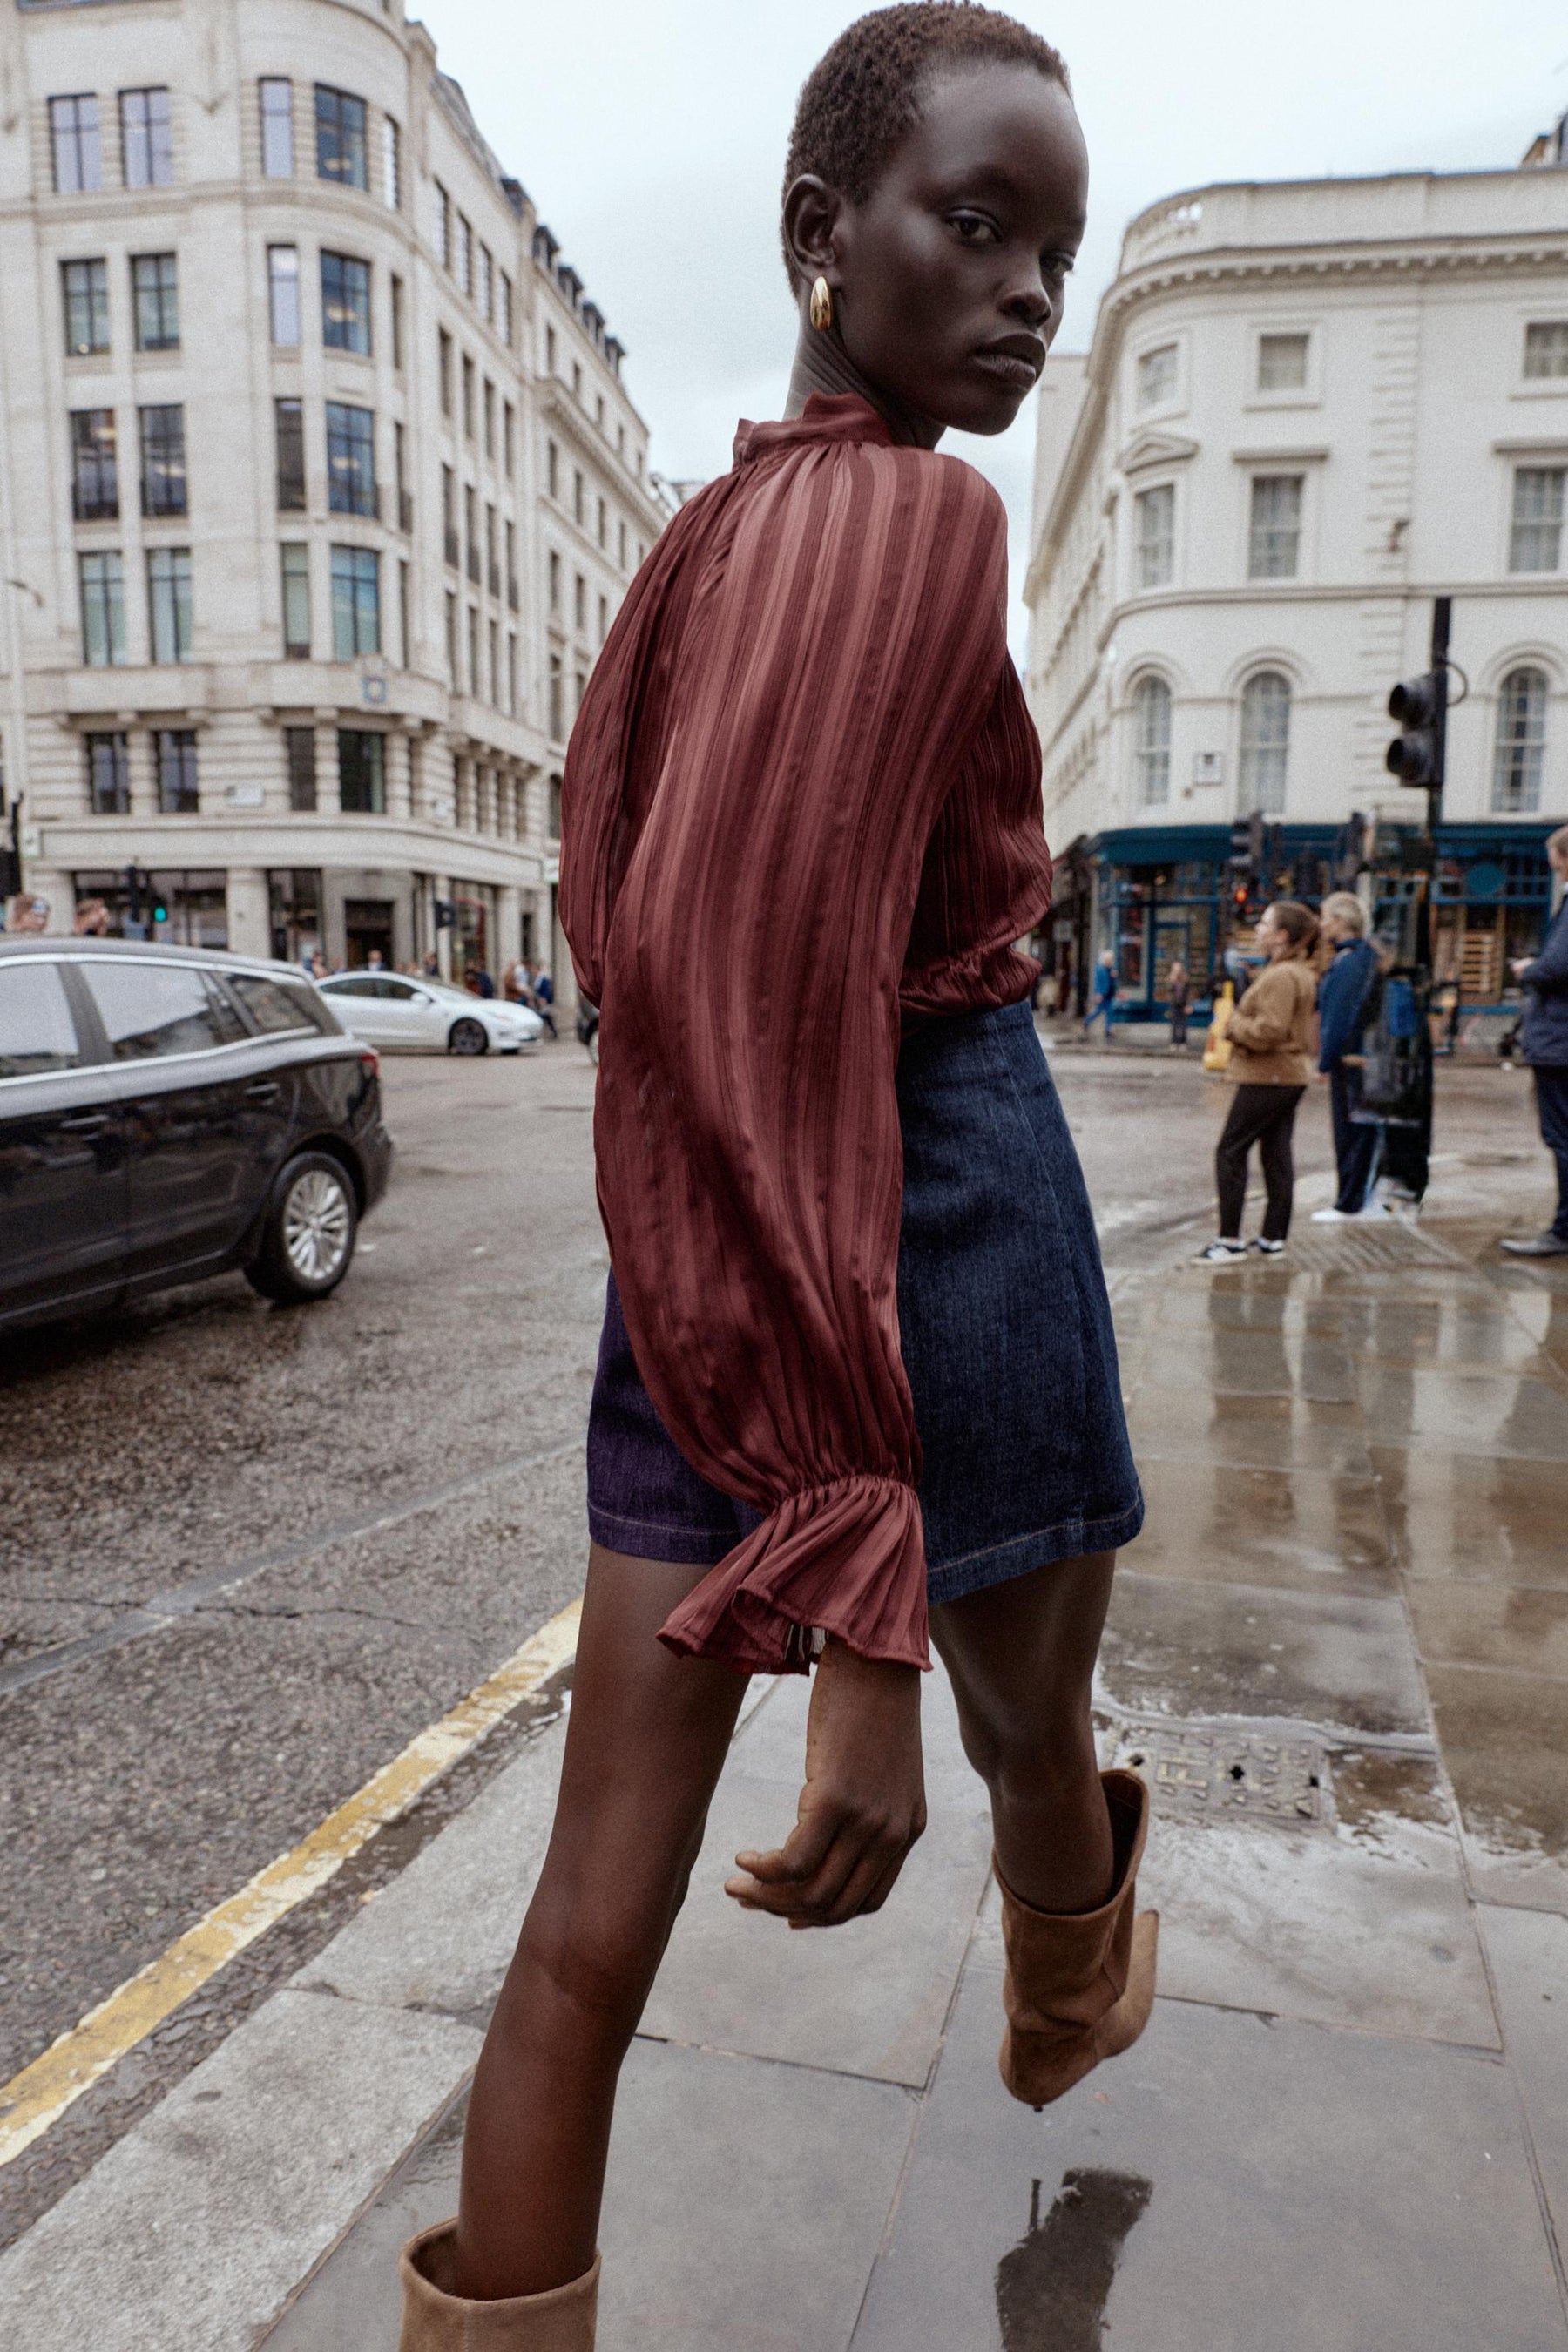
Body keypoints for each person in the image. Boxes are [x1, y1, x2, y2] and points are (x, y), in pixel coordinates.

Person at [397, 17, 1155, 2346]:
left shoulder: (700, 545)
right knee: (1022, 1734)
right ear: (823, 235)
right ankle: (1075, 1960)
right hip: (917, 1206)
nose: (1025, 294)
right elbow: (758, 1002)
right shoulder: (921, 523)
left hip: (705, 1248)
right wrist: (857, 1599)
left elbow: (644, 959)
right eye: (977, 224)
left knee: (585, 1926)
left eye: (1055, 251)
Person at [1196, 899, 1320, 1263]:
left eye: (1265, 924)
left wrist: (1233, 1026)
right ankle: (1272, 1238)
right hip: (1286, 1074)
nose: (1259, 929)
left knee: (1230, 1151)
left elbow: (1270, 1029)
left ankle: (1229, 1240)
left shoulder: (1282, 976)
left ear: (1281, 935)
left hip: (1269, 1074)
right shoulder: (1294, 971)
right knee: (1276, 1152)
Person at [1502, 821, 1568, 1258]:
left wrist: (1530, 969)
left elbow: (1558, 966)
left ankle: (1563, 1230)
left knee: (1561, 1136)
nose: (1554, 869)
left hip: (1560, 1042)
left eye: (1556, 861)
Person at [1309, 890, 1382, 1223]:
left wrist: (1325, 1061)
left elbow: (1338, 1018)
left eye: (1325, 918)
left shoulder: (1348, 962)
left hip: (1351, 1060)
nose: (1322, 925)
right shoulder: (1365, 958)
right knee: (1364, 1131)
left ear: (1341, 922)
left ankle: (1349, 1203)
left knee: (1349, 1132)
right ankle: (1359, 1198)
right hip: (1369, 1057)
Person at [1084, 947, 1116, 1038]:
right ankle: (1087, 1021)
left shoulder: (1111, 969)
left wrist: (1113, 977)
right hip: (1103, 994)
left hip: (1109, 994)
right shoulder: (1100, 969)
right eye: (1109, 959)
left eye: (1111, 959)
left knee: (1110, 1012)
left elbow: (1112, 982)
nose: (1110, 961)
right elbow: (1098, 982)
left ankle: (1107, 1030)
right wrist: (1098, 993)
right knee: (1099, 1011)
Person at [1165, 958, 1191, 1053]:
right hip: (1174, 1004)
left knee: (1183, 1024)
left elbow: (1188, 993)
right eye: (1175, 968)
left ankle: (1183, 1042)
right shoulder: (1169, 979)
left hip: (1183, 1004)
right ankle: (1174, 1042)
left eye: (1178, 968)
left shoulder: (1186, 979)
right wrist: (1172, 981)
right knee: (1174, 1024)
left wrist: (1188, 1005)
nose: (1177, 970)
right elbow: (1168, 992)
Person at [531, 964, 558, 1038]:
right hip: (538, 1001)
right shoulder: (536, 979)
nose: (533, 972)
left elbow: (547, 990)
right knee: (546, 1017)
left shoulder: (543, 979)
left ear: (538, 970)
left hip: (544, 1001)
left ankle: (542, 1032)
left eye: (534, 970)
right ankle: (553, 1031)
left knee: (543, 1016)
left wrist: (544, 998)